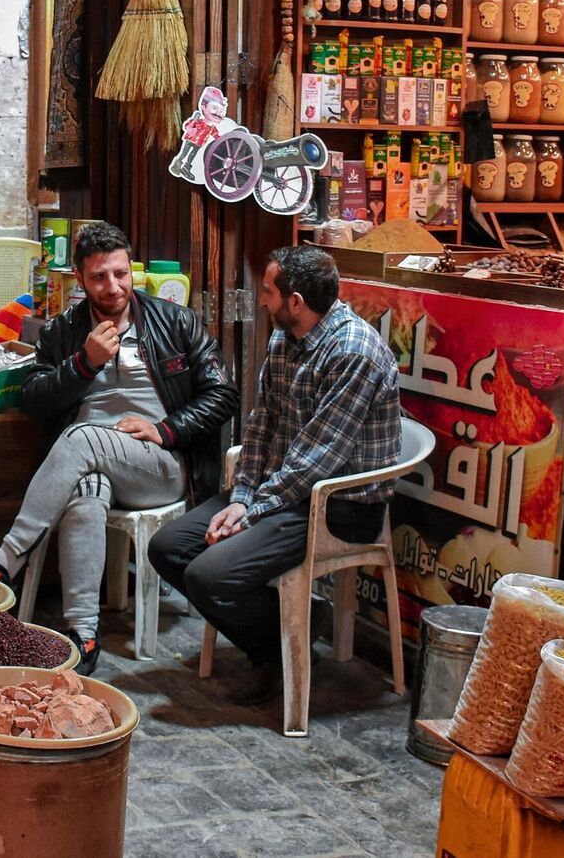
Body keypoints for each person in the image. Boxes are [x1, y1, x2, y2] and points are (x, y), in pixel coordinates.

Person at [150, 245, 408, 707]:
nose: (261, 301)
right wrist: (241, 497)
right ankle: (294, 626)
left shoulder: (354, 352)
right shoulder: (284, 337)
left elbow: (317, 459)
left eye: (268, 292)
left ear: (295, 301)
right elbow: (261, 425)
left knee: (209, 576)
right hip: (284, 492)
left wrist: (250, 512)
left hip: (339, 505)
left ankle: (272, 654)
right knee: (168, 548)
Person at [0, 222, 237, 675]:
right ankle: (83, 634)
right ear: (80, 279)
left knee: (82, 438)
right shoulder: (62, 331)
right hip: (86, 464)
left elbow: (222, 394)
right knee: (86, 496)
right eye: (99, 277)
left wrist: (167, 429)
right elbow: (35, 401)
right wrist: (85, 362)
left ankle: (6, 559)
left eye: (121, 274)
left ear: (131, 270)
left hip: (157, 467)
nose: (113, 286)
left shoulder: (174, 321)